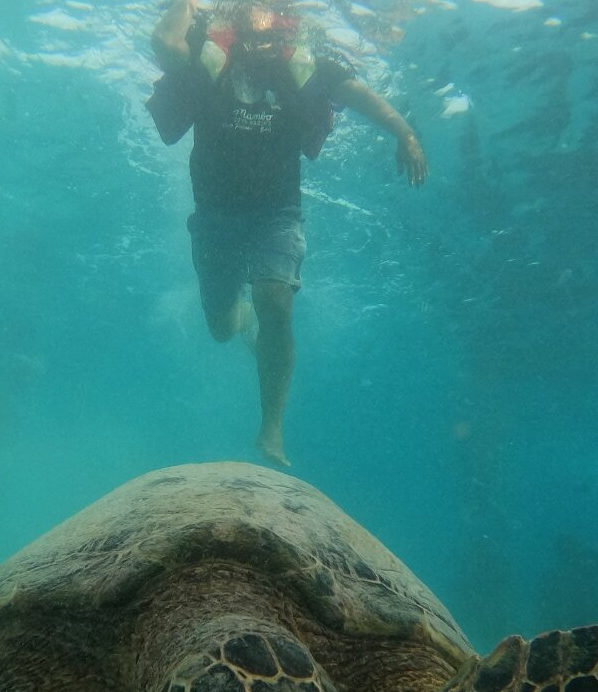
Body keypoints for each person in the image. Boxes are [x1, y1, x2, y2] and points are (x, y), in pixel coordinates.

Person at [148, 0, 426, 467]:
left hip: (276, 214)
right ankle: (239, 321)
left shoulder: (304, 65)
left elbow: (360, 95)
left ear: (286, 29)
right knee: (220, 328)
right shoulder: (205, 55)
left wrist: (407, 134)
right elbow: (163, 43)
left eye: (272, 27)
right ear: (232, 27)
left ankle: (271, 427)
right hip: (215, 217)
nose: (261, 35)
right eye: (250, 25)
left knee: (276, 300)